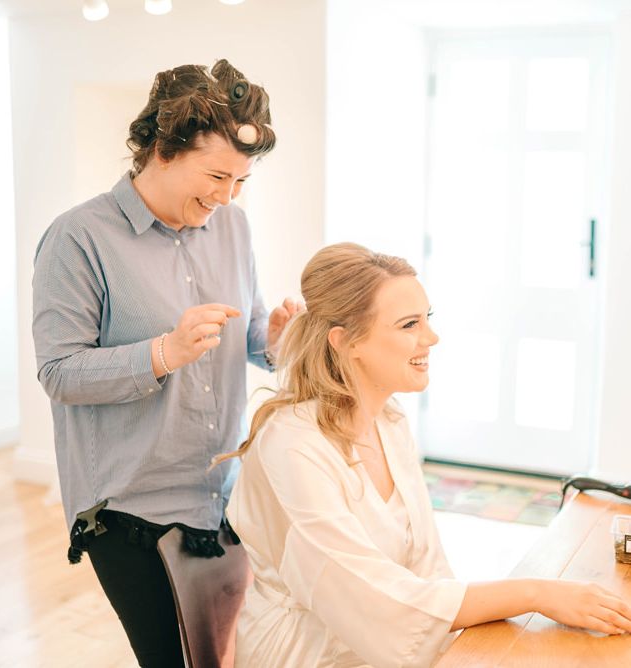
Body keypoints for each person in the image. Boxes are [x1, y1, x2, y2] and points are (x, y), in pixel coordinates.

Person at [221, 242, 631, 668]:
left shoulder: (390, 422)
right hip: (310, 655)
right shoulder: (291, 445)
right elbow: (370, 599)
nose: (431, 338)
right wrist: (535, 593)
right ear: (346, 342)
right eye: (409, 325)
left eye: (427, 319)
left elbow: (429, 570)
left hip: (389, 642)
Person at [32, 59, 302, 668]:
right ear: (162, 149)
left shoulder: (233, 226)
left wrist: (277, 341)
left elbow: (248, 335)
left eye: (241, 181)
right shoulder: (78, 239)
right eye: (215, 175)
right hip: (132, 514)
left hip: (223, 499)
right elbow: (58, 373)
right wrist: (163, 353)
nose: (226, 196)